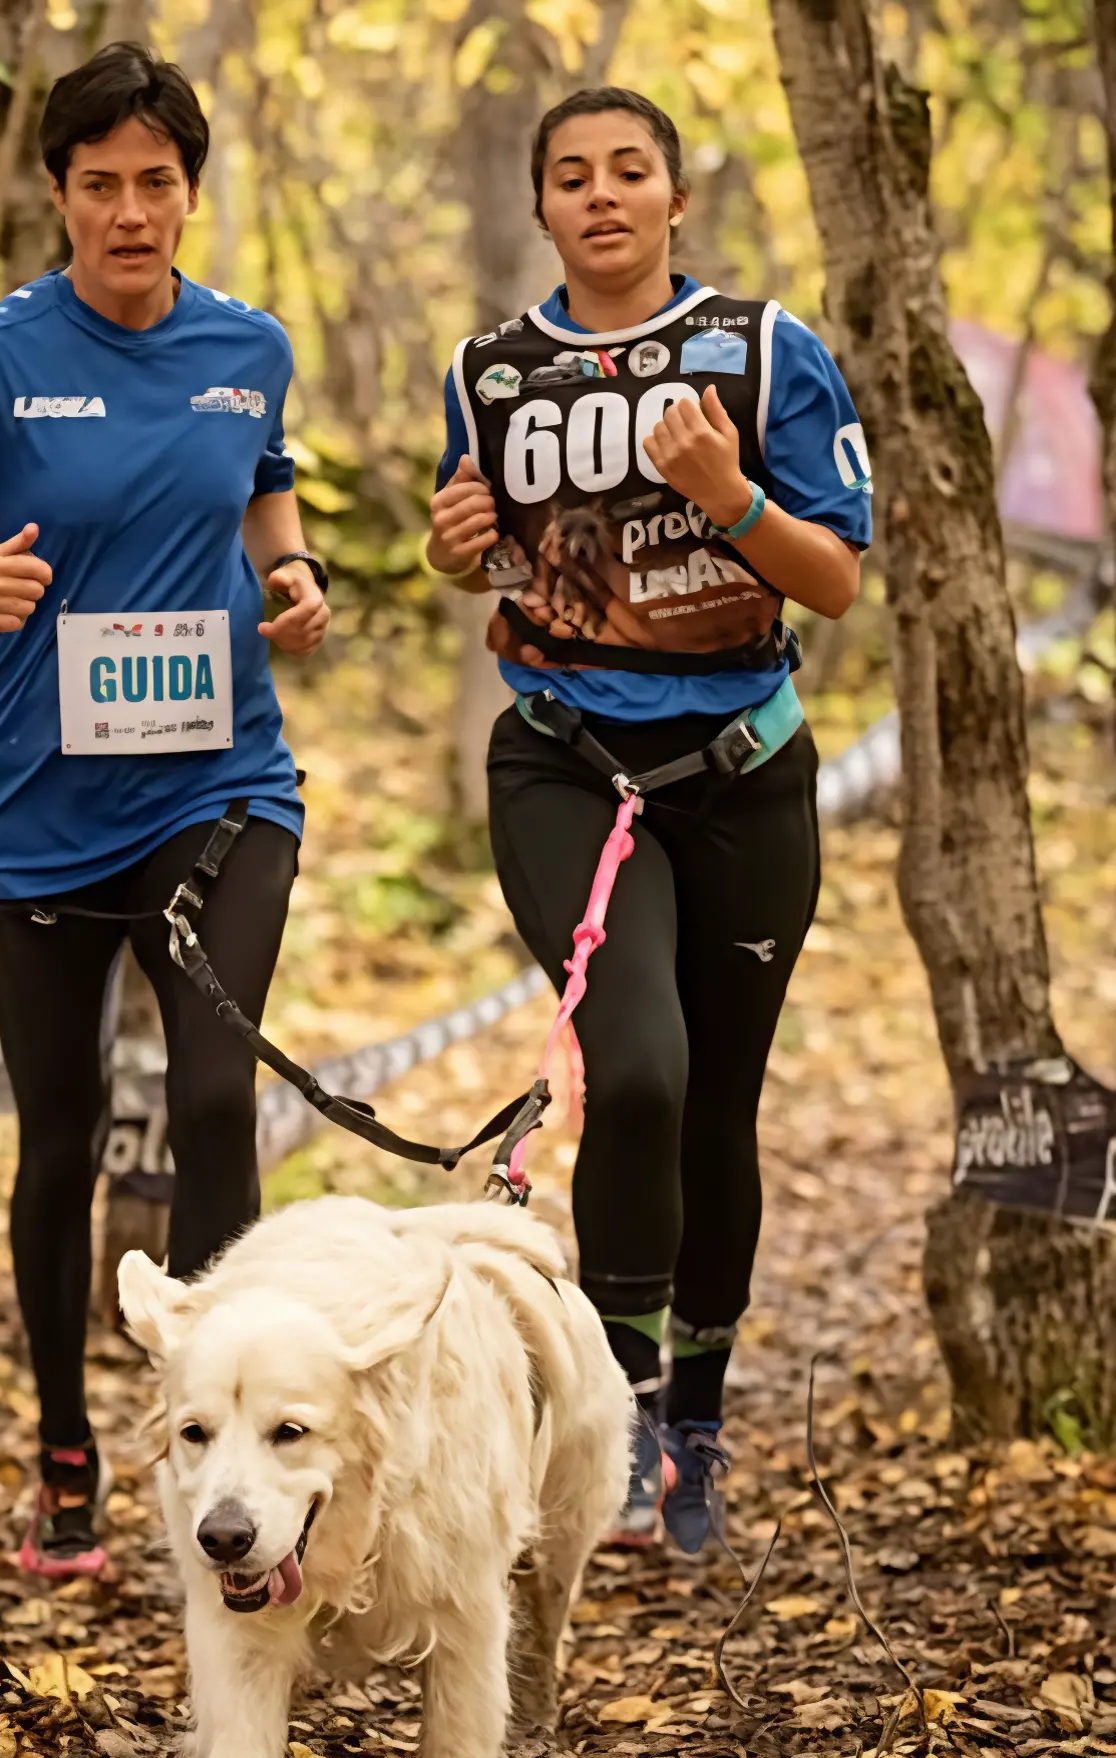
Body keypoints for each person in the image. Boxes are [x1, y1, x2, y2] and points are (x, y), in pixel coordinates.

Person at [0, 42, 329, 1576]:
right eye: (99, 185)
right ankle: (64, 1446)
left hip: (222, 784)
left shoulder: (250, 345)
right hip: (36, 817)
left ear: (190, 192)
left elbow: (263, 478)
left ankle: (216, 1455)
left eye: (156, 185)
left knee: (209, 1106)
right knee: (58, 1139)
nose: (129, 212)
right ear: (57, 193)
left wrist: (294, 571)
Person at [427, 87, 870, 1552]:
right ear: (542, 206)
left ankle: (699, 1419)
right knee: (641, 1067)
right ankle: (613, 1417)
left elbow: (836, 581)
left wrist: (726, 496)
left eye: (632, 172)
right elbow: (501, 571)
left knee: (719, 1102)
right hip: (567, 768)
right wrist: (455, 558)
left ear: (676, 199)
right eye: (572, 176)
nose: (602, 196)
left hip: (743, 774)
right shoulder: (492, 370)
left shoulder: (760, 350)